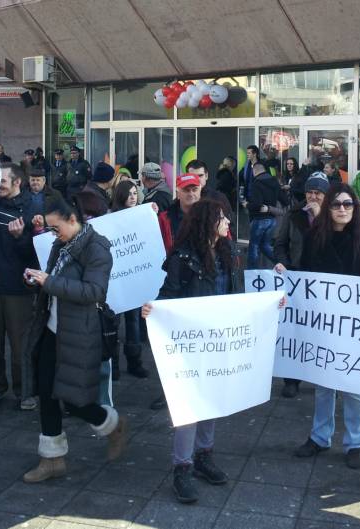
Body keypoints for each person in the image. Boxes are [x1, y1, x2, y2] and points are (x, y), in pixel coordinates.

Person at [21, 196, 127, 483]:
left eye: (57, 228)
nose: (54, 235)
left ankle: (112, 426)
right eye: (51, 230)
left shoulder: (97, 247)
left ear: (73, 220)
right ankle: (52, 459)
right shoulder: (62, 244)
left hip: (80, 333)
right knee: (47, 393)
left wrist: (49, 282)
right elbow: (54, 282)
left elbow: (94, 292)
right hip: (53, 330)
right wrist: (37, 281)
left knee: (75, 400)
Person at [141, 200, 237, 504]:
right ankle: (182, 466)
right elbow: (167, 295)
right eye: (221, 218)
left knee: (211, 401)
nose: (226, 223)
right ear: (207, 222)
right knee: (189, 406)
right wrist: (153, 309)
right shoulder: (183, 257)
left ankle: (204, 455)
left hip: (219, 340)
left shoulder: (229, 253)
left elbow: (238, 296)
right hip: (192, 343)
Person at [294, 183, 360, 470]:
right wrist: (286, 277)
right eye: (336, 204)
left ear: (355, 208)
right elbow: (304, 274)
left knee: (355, 386)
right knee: (323, 384)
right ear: (328, 207)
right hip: (323, 320)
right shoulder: (313, 237)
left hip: (355, 324)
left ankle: (355, 442)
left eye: (348, 204)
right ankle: (320, 437)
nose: (342, 209)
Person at [0, 163, 39, 411]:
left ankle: (25, 391)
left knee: (20, 345)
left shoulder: (32, 209)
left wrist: (21, 237)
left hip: (18, 290)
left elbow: (34, 255)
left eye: (2, 181)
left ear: (16, 183)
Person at [273, 173, 329, 399]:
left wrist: (319, 219)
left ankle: (323, 376)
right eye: (310, 192)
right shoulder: (294, 214)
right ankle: (291, 379)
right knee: (294, 332)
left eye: (318, 193)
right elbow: (280, 243)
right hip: (296, 278)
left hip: (323, 281)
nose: (313, 197)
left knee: (321, 332)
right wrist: (283, 263)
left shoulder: (334, 215)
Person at [108, 180, 149, 379]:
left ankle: (135, 362)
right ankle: (113, 365)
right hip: (116, 280)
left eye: (135, 193)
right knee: (113, 324)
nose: (133, 197)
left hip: (134, 277)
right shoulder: (110, 218)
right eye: (129, 193)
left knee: (133, 322)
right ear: (121, 195)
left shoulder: (141, 215)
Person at [247, 162, 287, 269]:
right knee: (265, 246)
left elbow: (257, 204)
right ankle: (282, 263)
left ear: (255, 171)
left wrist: (247, 205)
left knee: (254, 246)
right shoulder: (274, 182)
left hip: (260, 219)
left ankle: (252, 272)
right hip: (272, 219)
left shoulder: (256, 183)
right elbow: (285, 199)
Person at [158, 173, 202, 253]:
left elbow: (226, 244)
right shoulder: (164, 218)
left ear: (200, 192)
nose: (191, 194)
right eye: (186, 190)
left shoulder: (211, 215)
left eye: (194, 190)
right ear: (177, 193)